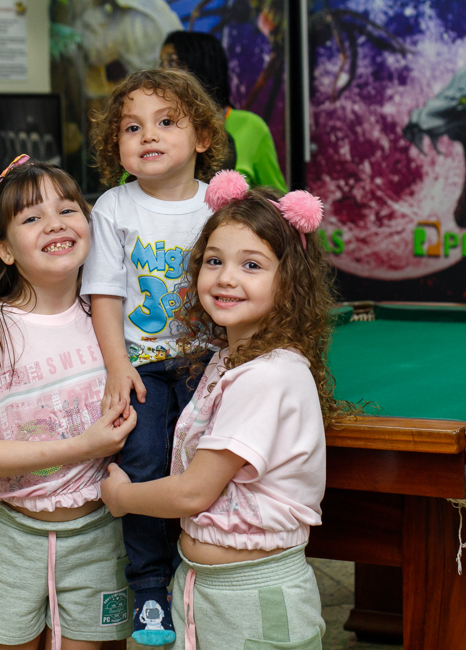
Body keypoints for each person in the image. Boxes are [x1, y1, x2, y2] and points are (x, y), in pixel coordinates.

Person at [100, 171, 342, 650]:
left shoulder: (268, 374)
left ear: (289, 280)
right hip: (202, 591)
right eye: (214, 261)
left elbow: (194, 492)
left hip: (253, 599)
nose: (226, 277)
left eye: (251, 265)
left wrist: (123, 498)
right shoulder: (227, 360)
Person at [0, 157, 138, 650]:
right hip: (14, 538)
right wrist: (81, 445)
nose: (55, 224)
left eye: (68, 209)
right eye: (30, 218)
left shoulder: (114, 320)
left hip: (101, 533)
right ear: (4, 249)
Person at [83, 67, 228, 645]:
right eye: (132, 126)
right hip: (142, 367)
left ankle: (201, 573)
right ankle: (148, 590)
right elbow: (105, 296)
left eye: (167, 122)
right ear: (114, 144)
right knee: (143, 466)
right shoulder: (114, 208)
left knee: (203, 468)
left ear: (202, 138)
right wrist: (118, 367)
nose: (148, 135)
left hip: (209, 365)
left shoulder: (221, 202)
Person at [160, 31, 286, 191]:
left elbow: (279, 204)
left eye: (171, 62)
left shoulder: (251, 126)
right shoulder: (157, 129)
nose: (162, 71)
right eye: (160, 63)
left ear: (201, 66)